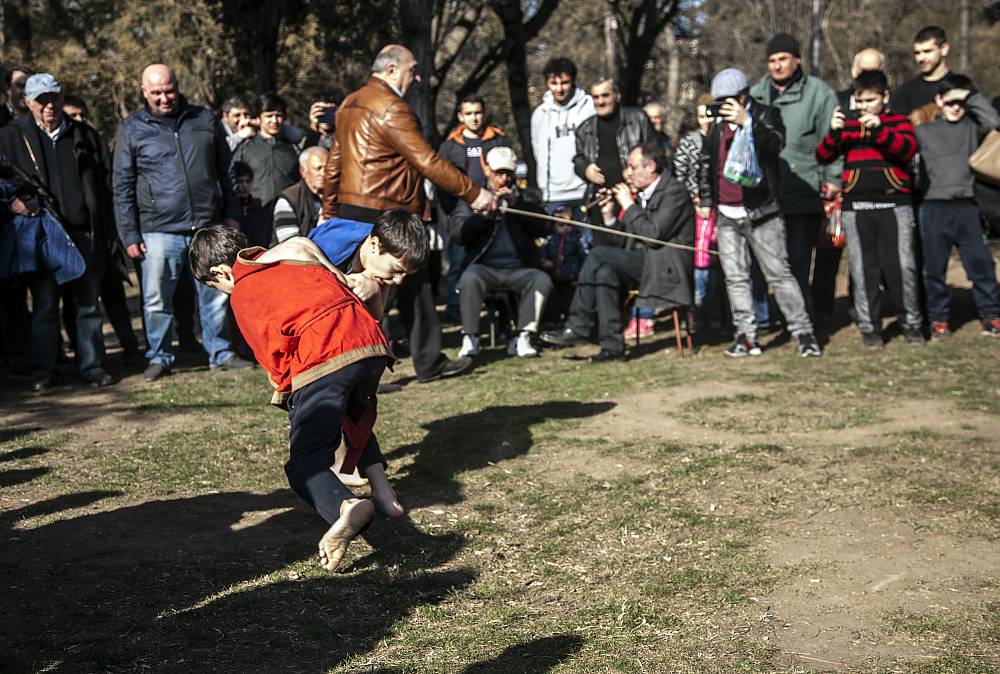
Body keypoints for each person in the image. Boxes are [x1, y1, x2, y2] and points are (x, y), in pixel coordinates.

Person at [188, 211, 426, 571]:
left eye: (214, 287)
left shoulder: (245, 292)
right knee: (352, 414)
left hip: (324, 355)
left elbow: (273, 357)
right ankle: (382, 491)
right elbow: (302, 243)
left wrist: (286, 389)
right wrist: (336, 274)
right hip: (371, 346)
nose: (221, 292)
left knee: (305, 462)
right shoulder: (287, 257)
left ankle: (346, 506)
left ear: (221, 273)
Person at [322, 44, 494, 383]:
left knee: (414, 288)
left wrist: (329, 210)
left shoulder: (349, 103)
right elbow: (427, 161)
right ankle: (362, 372)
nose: (416, 76)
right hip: (388, 214)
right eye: (411, 69)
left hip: (355, 209)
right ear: (390, 71)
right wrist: (475, 193)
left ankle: (427, 361)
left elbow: (334, 163)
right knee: (370, 291)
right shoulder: (391, 107)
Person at [113, 63, 250, 382]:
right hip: (158, 228)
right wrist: (129, 233)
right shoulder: (131, 127)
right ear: (144, 92)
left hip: (208, 224)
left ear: (178, 86)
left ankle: (221, 353)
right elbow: (121, 184)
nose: (164, 98)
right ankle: (159, 356)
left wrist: (231, 214)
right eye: (156, 93)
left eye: (169, 90)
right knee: (157, 297)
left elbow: (226, 171)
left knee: (216, 294)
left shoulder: (203, 119)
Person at [0, 73, 118, 391]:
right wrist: (11, 204)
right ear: (27, 103)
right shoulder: (10, 137)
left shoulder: (85, 135)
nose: (49, 105)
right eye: (41, 100)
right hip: (42, 236)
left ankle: (93, 366)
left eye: (54, 97)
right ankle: (44, 371)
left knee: (88, 306)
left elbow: (107, 184)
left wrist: (108, 231)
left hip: (84, 233)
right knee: (45, 306)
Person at [698, 68, 822, 358]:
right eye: (719, 101)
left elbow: (775, 145)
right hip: (727, 214)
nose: (723, 107)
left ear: (743, 96)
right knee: (736, 278)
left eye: (728, 100)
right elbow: (706, 162)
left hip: (762, 212)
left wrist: (748, 123)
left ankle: (803, 332)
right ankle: (746, 335)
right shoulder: (717, 127)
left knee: (779, 274)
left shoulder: (766, 114)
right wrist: (706, 199)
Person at [541, 143, 693, 362]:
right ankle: (612, 346)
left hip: (666, 266)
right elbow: (620, 243)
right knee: (604, 272)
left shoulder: (674, 191)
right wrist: (610, 215)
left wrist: (628, 205)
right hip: (645, 262)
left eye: (632, 167)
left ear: (650, 167)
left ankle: (578, 325)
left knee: (598, 255)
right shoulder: (640, 194)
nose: (628, 173)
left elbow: (653, 235)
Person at [815, 70, 923, 349]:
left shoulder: (899, 122)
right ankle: (869, 327)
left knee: (903, 266)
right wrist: (834, 131)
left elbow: (907, 149)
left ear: (885, 97)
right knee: (864, 269)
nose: (863, 107)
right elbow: (823, 155)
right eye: (859, 101)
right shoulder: (849, 126)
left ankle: (911, 322)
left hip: (894, 203)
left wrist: (879, 130)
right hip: (857, 206)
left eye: (870, 101)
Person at [750, 33, 842, 319]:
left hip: (803, 190)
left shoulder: (819, 93)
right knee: (761, 262)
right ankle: (763, 320)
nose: (777, 66)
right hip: (764, 193)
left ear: (797, 60)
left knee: (798, 261)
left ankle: (801, 320)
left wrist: (833, 178)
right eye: (772, 60)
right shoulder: (755, 95)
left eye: (783, 59)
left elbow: (833, 139)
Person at [915, 75, 1000, 338]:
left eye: (960, 103)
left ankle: (991, 315)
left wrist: (970, 97)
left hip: (967, 207)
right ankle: (939, 319)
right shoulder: (924, 131)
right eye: (950, 101)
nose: (955, 108)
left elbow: (994, 122)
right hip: (933, 209)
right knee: (935, 269)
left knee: (981, 265)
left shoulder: (972, 128)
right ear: (939, 101)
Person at [449, 147, 552, 359]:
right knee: (469, 279)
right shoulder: (473, 196)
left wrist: (518, 204)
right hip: (484, 267)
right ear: (487, 170)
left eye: (508, 174)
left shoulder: (527, 196)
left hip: (519, 268)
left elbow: (544, 227)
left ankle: (524, 335)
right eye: (498, 173)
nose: (503, 179)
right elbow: (458, 234)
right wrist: (482, 216)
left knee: (541, 279)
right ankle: (471, 337)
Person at [438, 93, 510, 323]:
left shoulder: (496, 139)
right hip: (462, 210)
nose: (474, 118)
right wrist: (452, 209)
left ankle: (495, 309)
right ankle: (454, 309)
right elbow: (441, 179)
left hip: (492, 209)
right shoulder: (450, 146)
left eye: (478, 112)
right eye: (468, 113)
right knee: (458, 260)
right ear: (460, 116)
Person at [574, 77, 657, 249]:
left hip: (634, 198)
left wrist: (635, 171)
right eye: (596, 97)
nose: (601, 101)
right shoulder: (585, 129)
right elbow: (578, 159)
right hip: (601, 202)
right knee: (603, 255)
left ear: (617, 96)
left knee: (634, 251)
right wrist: (585, 169)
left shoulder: (638, 119)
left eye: (605, 95)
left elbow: (655, 153)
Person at [673, 94, 723, 332]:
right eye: (702, 116)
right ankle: (696, 311)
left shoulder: (724, 137)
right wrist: (692, 197)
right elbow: (679, 175)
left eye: (710, 116)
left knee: (718, 263)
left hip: (720, 210)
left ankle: (717, 312)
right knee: (699, 261)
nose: (706, 121)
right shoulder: (688, 142)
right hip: (696, 212)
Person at [530, 57, 595, 218]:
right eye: (554, 83)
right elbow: (538, 150)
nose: (559, 89)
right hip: (554, 194)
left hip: (584, 191)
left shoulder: (589, 107)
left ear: (573, 81)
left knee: (587, 241)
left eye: (564, 82)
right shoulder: (540, 114)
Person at [232, 92, 300, 209]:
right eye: (269, 116)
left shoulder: (292, 149)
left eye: (278, 115)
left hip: (288, 214)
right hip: (254, 214)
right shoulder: (245, 148)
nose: (274, 121)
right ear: (258, 118)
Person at [892, 26, 956, 117]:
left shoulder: (960, 86)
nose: (921, 58)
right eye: (917, 53)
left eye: (927, 51)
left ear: (944, 49)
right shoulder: (905, 92)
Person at [540, 206, 586, 324]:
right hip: (554, 277)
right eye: (561, 225)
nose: (566, 228)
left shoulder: (577, 239)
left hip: (570, 277)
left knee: (569, 303)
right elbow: (542, 252)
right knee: (553, 302)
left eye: (568, 225)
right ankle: (552, 321)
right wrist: (544, 261)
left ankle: (568, 322)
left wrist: (580, 272)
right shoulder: (549, 239)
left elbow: (583, 255)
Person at [272, 146, 327, 242]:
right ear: (303, 171)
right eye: (318, 169)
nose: (323, 173)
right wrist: (320, 232)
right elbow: (290, 244)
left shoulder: (337, 197)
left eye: (327, 169)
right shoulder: (288, 200)